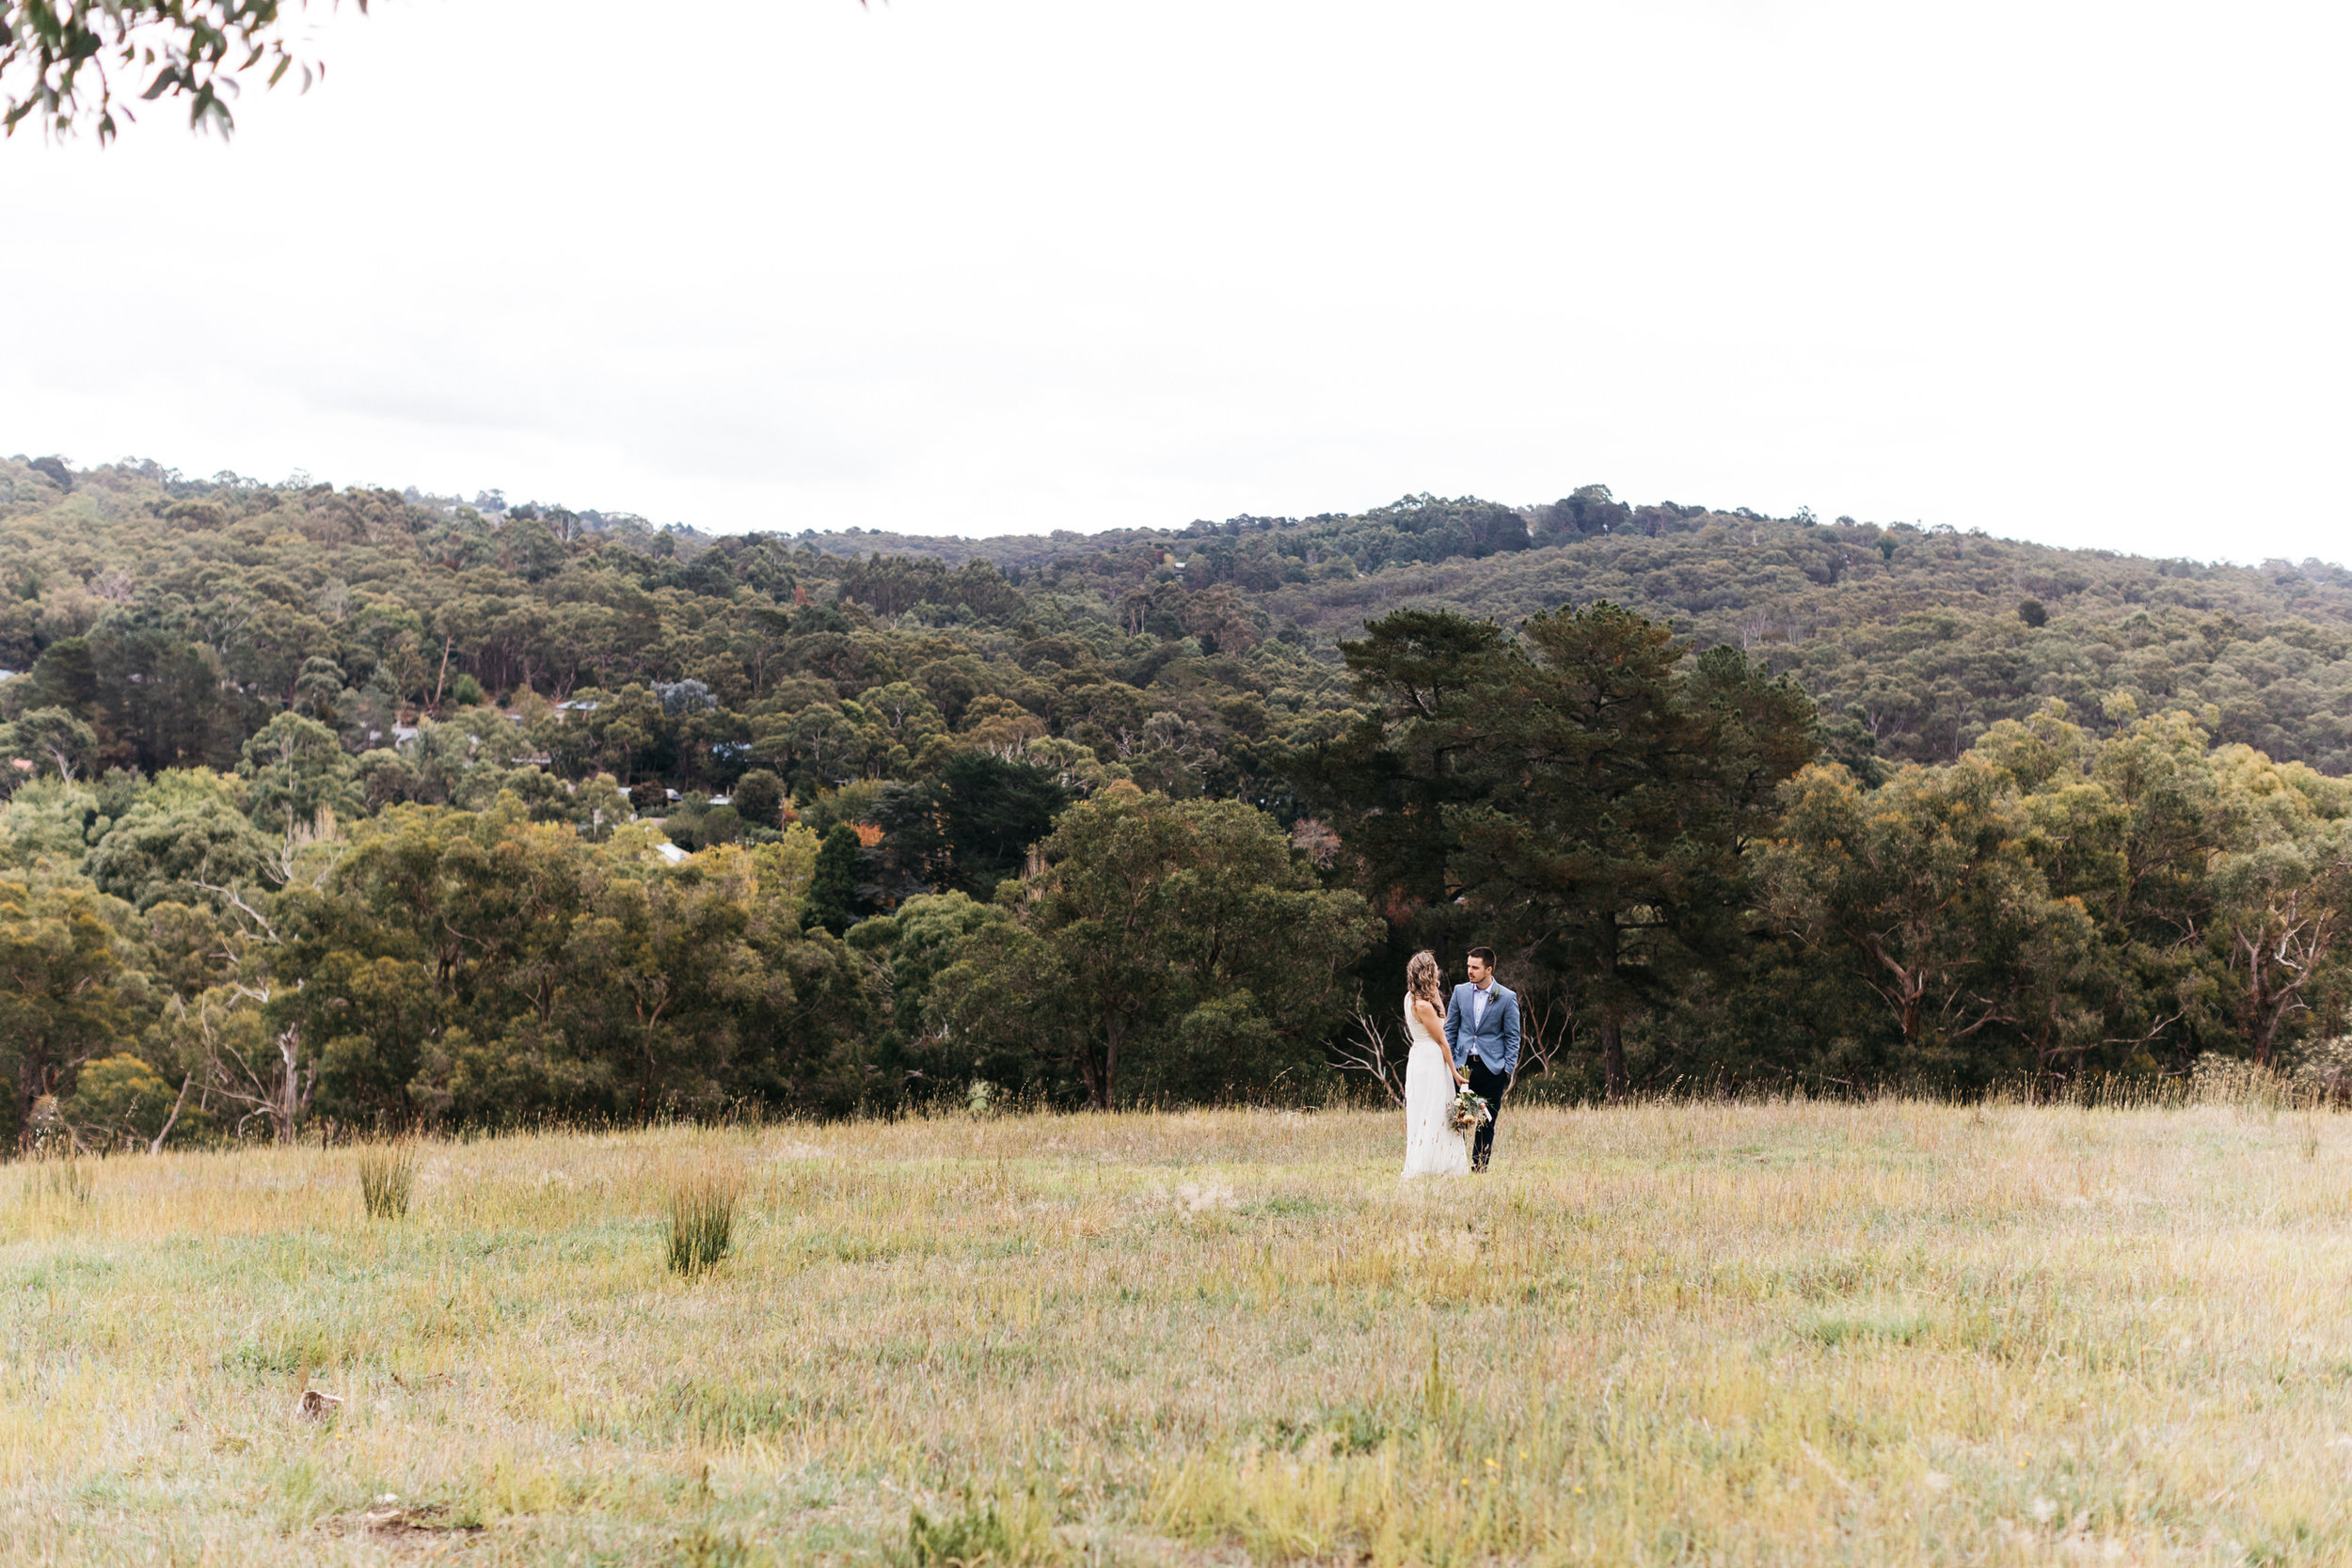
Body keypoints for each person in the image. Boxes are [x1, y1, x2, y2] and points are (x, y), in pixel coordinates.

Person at [1443, 946, 1518, 1172]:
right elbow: (1451, 1030)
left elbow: (1513, 1036)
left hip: (1492, 1069)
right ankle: (1458, 1167)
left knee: (1486, 1122)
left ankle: (1479, 1168)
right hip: (1462, 1069)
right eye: (1468, 966)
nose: (1470, 971)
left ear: (1489, 969)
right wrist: (1451, 1063)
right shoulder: (1460, 991)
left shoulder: (1506, 997)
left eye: (1475, 967)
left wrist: (1507, 1069)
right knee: (1457, 1120)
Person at [1399, 950, 1470, 1179]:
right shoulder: (1422, 1005)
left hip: (1419, 1055)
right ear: (1429, 973)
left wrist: (1436, 995)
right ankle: (1430, 1165)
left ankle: (1435, 1162)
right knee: (1434, 1109)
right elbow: (1442, 1041)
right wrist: (1455, 1072)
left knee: (1430, 1109)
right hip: (1431, 1058)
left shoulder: (1410, 998)